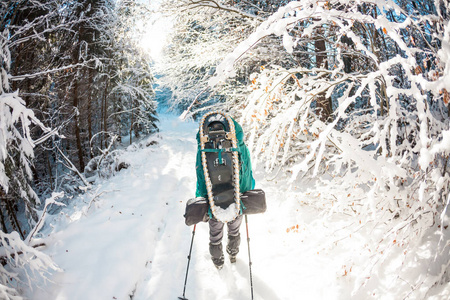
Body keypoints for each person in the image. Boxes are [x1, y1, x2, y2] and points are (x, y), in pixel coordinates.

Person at [195, 114, 255, 269]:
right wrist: (248, 191)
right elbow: (247, 171)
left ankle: (218, 261)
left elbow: (201, 174)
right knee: (234, 230)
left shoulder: (203, 147)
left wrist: (201, 197)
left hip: (213, 201)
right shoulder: (239, 145)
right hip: (236, 199)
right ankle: (233, 253)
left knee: (215, 235)